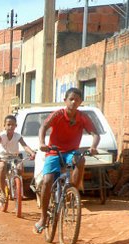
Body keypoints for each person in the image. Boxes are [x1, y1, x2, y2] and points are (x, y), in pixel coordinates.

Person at [33, 87, 100, 234]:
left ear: (81, 102)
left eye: (77, 99)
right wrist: (42, 143)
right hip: (54, 151)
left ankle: (72, 191)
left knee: (80, 160)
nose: (74, 102)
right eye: (71, 99)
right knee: (47, 180)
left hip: (71, 152)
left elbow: (95, 134)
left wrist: (94, 146)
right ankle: (43, 218)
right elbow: (43, 127)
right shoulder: (57, 115)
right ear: (65, 100)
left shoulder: (83, 117)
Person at [0, 114, 35, 202]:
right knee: (3, 167)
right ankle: (3, 192)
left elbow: (25, 146)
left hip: (14, 156)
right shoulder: (1, 135)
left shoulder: (17, 136)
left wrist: (31, 153)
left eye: (13, 125)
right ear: (4, 126)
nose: (10, 127)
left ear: (16, 126)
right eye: (8, 125)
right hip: (3, 156)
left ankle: (16, 187)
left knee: (20, 168)